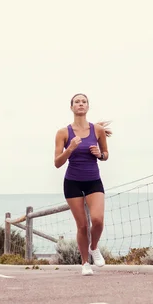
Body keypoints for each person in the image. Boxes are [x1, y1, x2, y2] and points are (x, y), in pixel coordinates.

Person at [54, 93, 112, 276]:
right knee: (82, 226)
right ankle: (85, 263)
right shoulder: (63, 133)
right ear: (71, 107)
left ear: (88, 107)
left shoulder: (97, 130)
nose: (81, 104)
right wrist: (70, 148)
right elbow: (57, 162)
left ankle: (94, 247)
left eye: (84, 101)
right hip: (72, 182)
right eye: (77, 102)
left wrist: (99, 154)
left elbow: (106, 154)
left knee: (97, 220)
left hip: (93, 180)